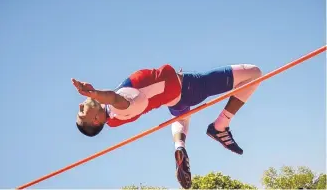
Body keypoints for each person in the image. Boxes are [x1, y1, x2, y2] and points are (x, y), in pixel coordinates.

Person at [72, 63, 262, 189]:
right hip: (190, 87)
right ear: (95, 120)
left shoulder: (113, 114)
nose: (80, 105)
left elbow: (111, 99)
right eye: (82, 112)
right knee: (253, 73)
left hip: (175, 100)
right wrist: (95, 93)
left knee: (182, 115)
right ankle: (221, 125)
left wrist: (95, 94)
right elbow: (114, 98)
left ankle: (179, 147)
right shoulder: (119, 108)